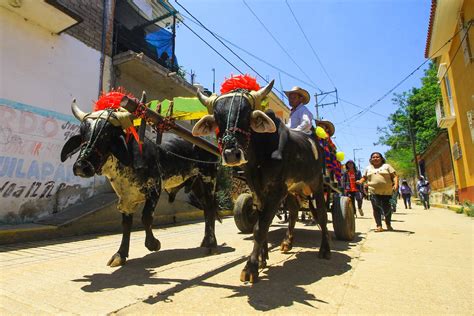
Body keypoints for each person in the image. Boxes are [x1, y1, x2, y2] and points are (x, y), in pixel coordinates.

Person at [357, 152, 399, 232]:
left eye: (377, 157)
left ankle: (388, 224)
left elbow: (394, 176)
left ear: (381, 158)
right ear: (371, 159)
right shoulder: (368, 168)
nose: (375, 158)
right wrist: (360, 181)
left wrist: (396, 185)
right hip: (373, 191)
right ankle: (379, 226)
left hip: (387, 192)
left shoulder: (387, 166)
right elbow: (364, 177)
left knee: (387, 208)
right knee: (376, 208)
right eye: (373, 157)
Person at [272, 86, 313, 160]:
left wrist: (294, 133)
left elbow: (307, 123)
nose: (290, 100)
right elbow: (290, 126)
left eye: (294, 98)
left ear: (301, 99)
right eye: (290, 98)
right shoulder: (294, 112)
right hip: (291, 138)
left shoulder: (303, 110)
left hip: (297, 140)